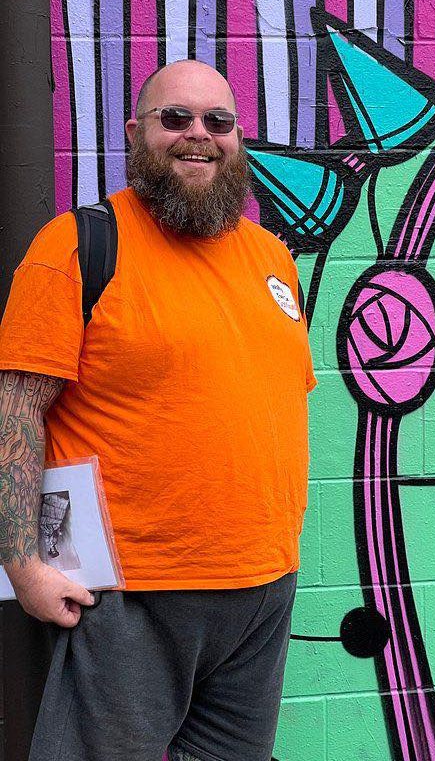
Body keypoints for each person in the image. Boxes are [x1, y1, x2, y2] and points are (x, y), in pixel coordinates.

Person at [0, 60, 316, 761]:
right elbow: (16, 414)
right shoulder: (78, 246)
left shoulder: (273, 260)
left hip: (261, 593)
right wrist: (22, 563)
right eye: (175, 118)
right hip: (128, 597)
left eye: (218, 122)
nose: (198, 135)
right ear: (136, 132)